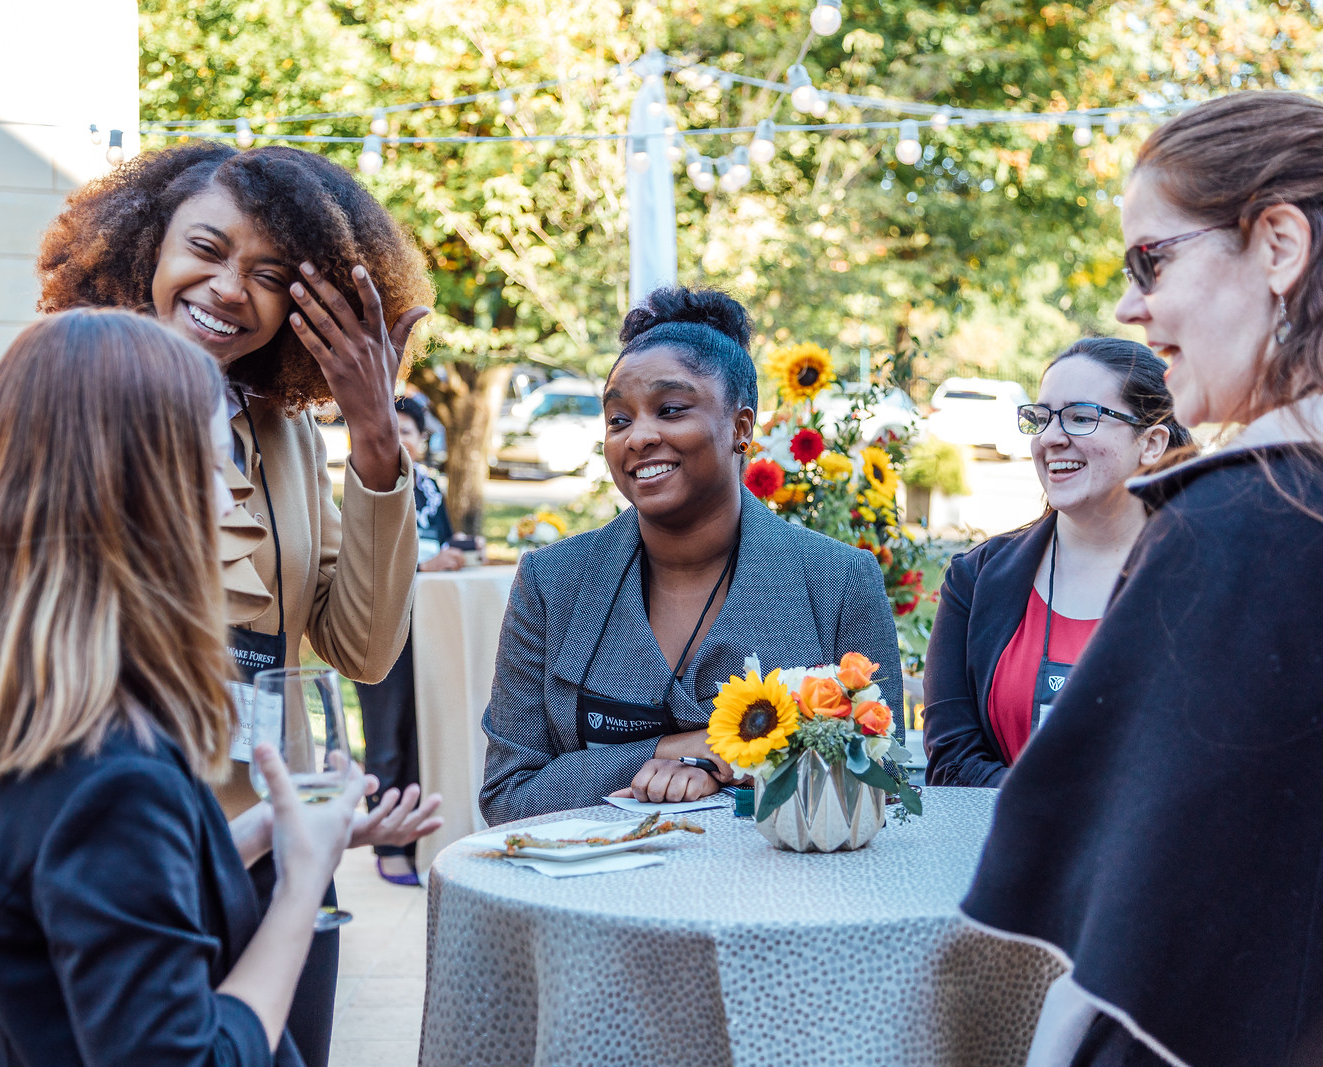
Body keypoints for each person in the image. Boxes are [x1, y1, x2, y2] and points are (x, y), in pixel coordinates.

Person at [37, 143, 442, 1066]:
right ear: (144, 248)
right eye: (207, 250)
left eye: (267, 274)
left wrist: (375, 442)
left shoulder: (287, 436)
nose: (228, 289)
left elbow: (364, 650)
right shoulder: (74, 401)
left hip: (280, 861)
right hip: (133, 861)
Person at [0, 308, 368, 1066]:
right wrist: (301, 884)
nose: (230, 507)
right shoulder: (114, 772)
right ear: (141, 494)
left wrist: (266, 833)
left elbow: (74, 920)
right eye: (217, 471)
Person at [961, 91, 1323, 1067]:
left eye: (1149, 259)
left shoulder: (1248, 526)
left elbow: (1161, 958)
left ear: (1277, 244)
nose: (1130, 306)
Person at [480, 287, 902, 824]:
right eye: (618, 420)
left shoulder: (838, 580)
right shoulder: (553, 582)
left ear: (741, 428)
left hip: (777, 892)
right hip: (594, 899)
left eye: (670, 410)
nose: (638, 437)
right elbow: (506, 795)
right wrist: (664, 751)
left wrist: (736, 759)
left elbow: (884, 781)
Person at [922, 338, 1191, 787]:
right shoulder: (975, 579)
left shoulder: (1206, 579)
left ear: (1151, 443)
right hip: (1003, 851)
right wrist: (1061, 814)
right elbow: (951, 759)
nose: (1050, 438)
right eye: (1041, 418)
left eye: (1081, 417)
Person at [355, 395, 461, 886]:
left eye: (410, 432)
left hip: (432, 624)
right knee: (387, 734)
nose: (401, 441)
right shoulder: (366, 487)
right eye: (389, 429)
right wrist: (424, 565)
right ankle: (387, 841)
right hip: (381, 627)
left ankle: (418, 832)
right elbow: (359, 563)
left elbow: (440, 541)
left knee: (426, 730)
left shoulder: (432, 488)